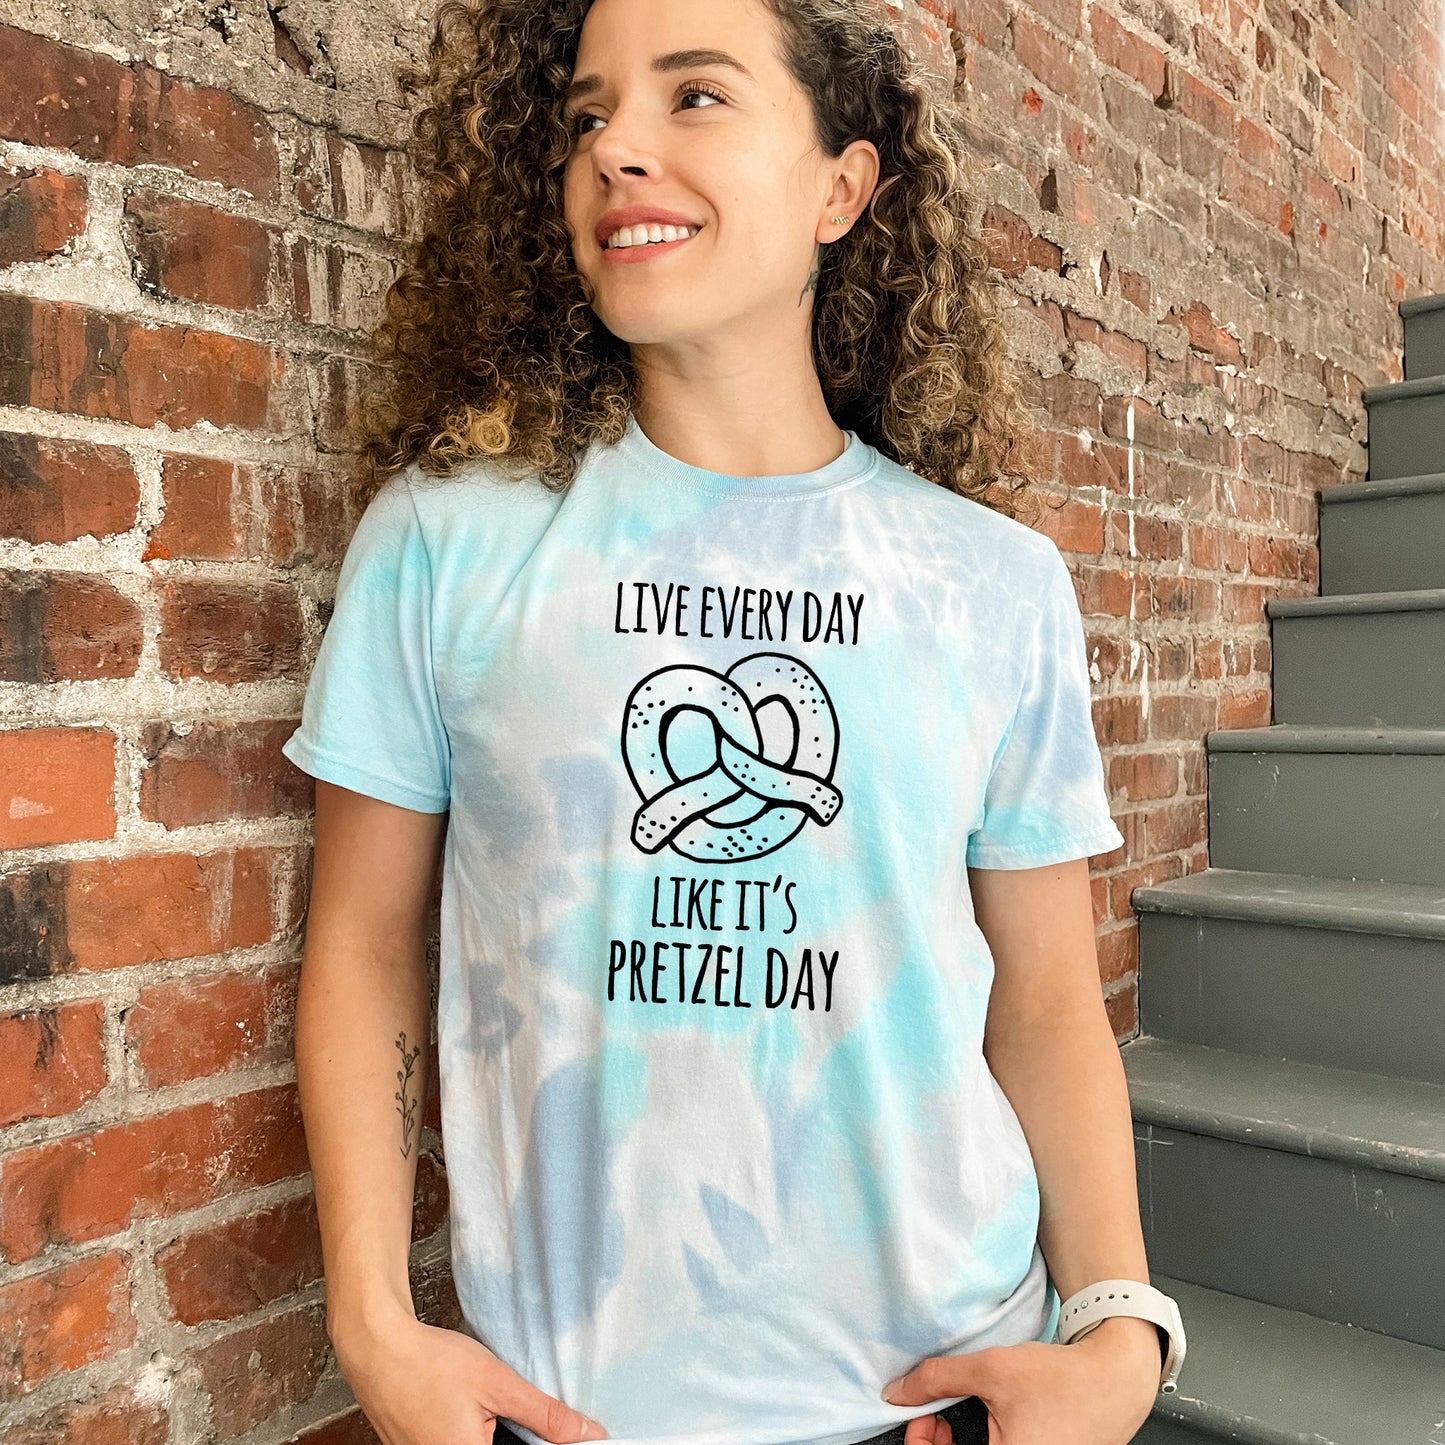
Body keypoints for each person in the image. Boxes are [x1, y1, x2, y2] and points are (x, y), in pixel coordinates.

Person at [282, 1, 1172, 1443]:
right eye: (585, 117)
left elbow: (1046, 1000)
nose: (615, 149)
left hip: (946, 1401)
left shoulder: (993, 582)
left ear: (841, 186)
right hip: (567, 1412)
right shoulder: (446, 542)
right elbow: (367, 945)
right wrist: (374, 1323)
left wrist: (1119, 1328)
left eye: (693, 98)